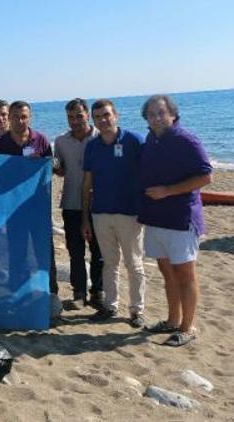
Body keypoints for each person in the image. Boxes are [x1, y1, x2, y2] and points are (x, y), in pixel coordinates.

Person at [138, 94, 212, 346]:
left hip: (181, 219)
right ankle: (172, 320)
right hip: (156, 219)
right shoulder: (151, 139)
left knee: (185, 274)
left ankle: (188, 327)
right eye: (151, 114)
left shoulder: (186, 139)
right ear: (146, 118)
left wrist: (168, 191)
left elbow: (205, 177)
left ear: (173, 114)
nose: (156, 117)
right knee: (166, 272)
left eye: (161, 112)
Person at [81, 99, 145, 326]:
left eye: (106, 115)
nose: (102, 120)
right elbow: (87, 183)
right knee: (109, 262)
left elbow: (150, 172)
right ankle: (110, 306)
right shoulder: (92, 146)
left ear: (115, 115)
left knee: (134, 263)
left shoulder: (134, 140)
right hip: (101, 213)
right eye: (97, 117)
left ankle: (137, 310)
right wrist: (85, 218)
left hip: (130, 213)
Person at [0, 101, 58, 297]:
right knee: (16, 252)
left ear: (30, 117)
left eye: (24, 117)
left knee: (44, 252)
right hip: (12, 210)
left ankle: (51, 294)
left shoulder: (41, 140)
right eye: (16, 117)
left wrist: (49, 163)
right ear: (9, 118)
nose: (20, 121)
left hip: (38, 208)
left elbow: (53, 167)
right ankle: (17, 294)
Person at [53, 98, 103, 310]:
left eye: (79, 116)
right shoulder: (61, 141)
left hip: (99, 204)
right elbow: (60, 169)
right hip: (71, 203)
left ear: (88, 116)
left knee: (99, 252)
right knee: (75, 252)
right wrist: (54, 167)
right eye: (70, 117)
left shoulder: (101, 138)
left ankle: (97, 292)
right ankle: (79, 292)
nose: (75, 121)